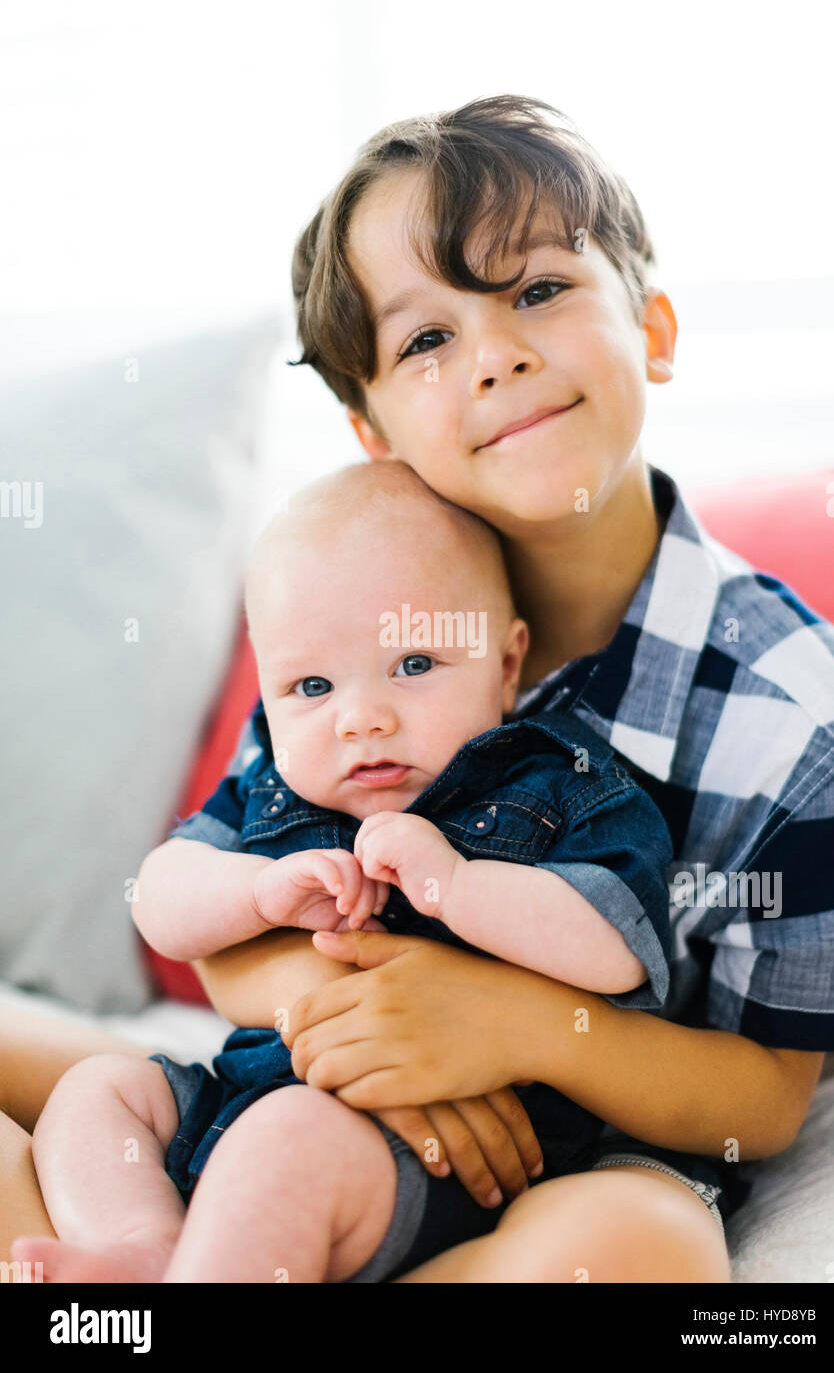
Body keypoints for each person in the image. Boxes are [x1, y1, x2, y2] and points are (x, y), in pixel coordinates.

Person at [181, 94, 834, 1282]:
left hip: (587, 1161)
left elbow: (764, 1097)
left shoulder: (800, 716)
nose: (493, 352)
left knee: (645, 1252)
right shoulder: (354, 621)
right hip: (319, 1117)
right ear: (372, 432)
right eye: (425, 340)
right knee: (73, 1099)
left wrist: (510, 1028)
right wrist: (369, 1041)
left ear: (650, 328)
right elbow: (225, 918)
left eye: (536, 290)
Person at [13, 461, 674, 1283]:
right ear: (268, 694)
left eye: (415, 665)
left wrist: (455, 888)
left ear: (506, 667)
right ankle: (141, 1247)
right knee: (98, 1092)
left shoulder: (557, 787)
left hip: (425, 1152)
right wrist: (254, 892)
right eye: (313, 685)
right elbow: (158, 900)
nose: (361, 718)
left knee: (283, 1143)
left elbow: (618, 945)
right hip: (245, 1090)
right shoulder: (276, 786)